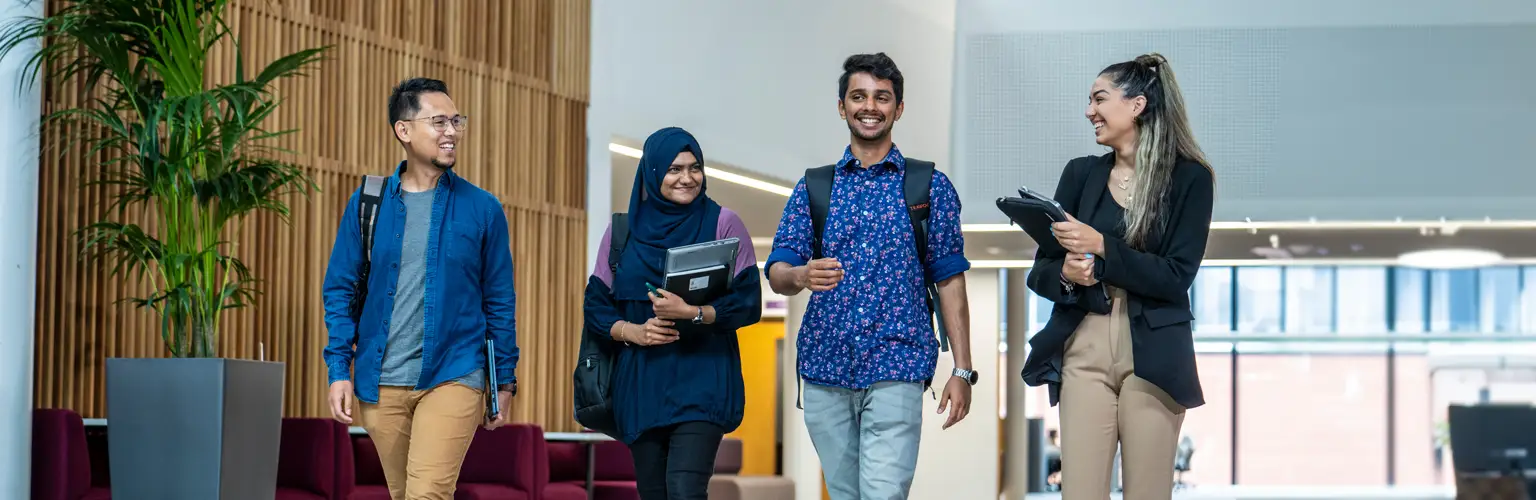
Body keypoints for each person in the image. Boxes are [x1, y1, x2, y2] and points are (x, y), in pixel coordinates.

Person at [765, 52, 976, 500]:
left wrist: (962, 369)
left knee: (882, 493)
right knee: (845, 495)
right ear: (842, 106)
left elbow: (950, 281)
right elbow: (778, 271)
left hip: (897, 363)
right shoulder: (814, 187)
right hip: (824, 368)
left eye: (882, 97)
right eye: (859, 96)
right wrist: (801, 274)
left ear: (898, 108)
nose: (870, 106)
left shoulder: (927, 186)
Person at [1018, 53, 1214, 499]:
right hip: (1083, 344)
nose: (1089, 111)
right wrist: (1068, 272)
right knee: (1080, 491)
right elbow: (1041, 272)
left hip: (1155, 351)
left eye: (1099, 98)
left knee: (1147, 491)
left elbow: (1175, 276)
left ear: (1137, 105)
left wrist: (1102, 246)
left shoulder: (1190, 179)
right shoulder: (1080, 174)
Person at [321, 77, 519, 500]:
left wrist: (505, 379)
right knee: (405, 493)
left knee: (427, 493)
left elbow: (500, 300)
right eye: (439, 121)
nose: (451, 131)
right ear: (404, 130)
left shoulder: (482, 208)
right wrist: (339, 368)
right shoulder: (367, 203)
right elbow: (339, 290)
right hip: (381, 381)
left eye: (456, 121)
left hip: (454, 372)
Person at [583, 126, 762, 500]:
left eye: (694, 168)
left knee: (685, 490)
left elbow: (748, 302)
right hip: (641, 385)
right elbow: (595, 304)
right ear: (652, 172)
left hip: (703, 380)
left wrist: (695, 312)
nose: (687, 178)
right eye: (674, 169)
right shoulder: (622, 232)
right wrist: (632, 331)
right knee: (654, 493)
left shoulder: (722, 223)